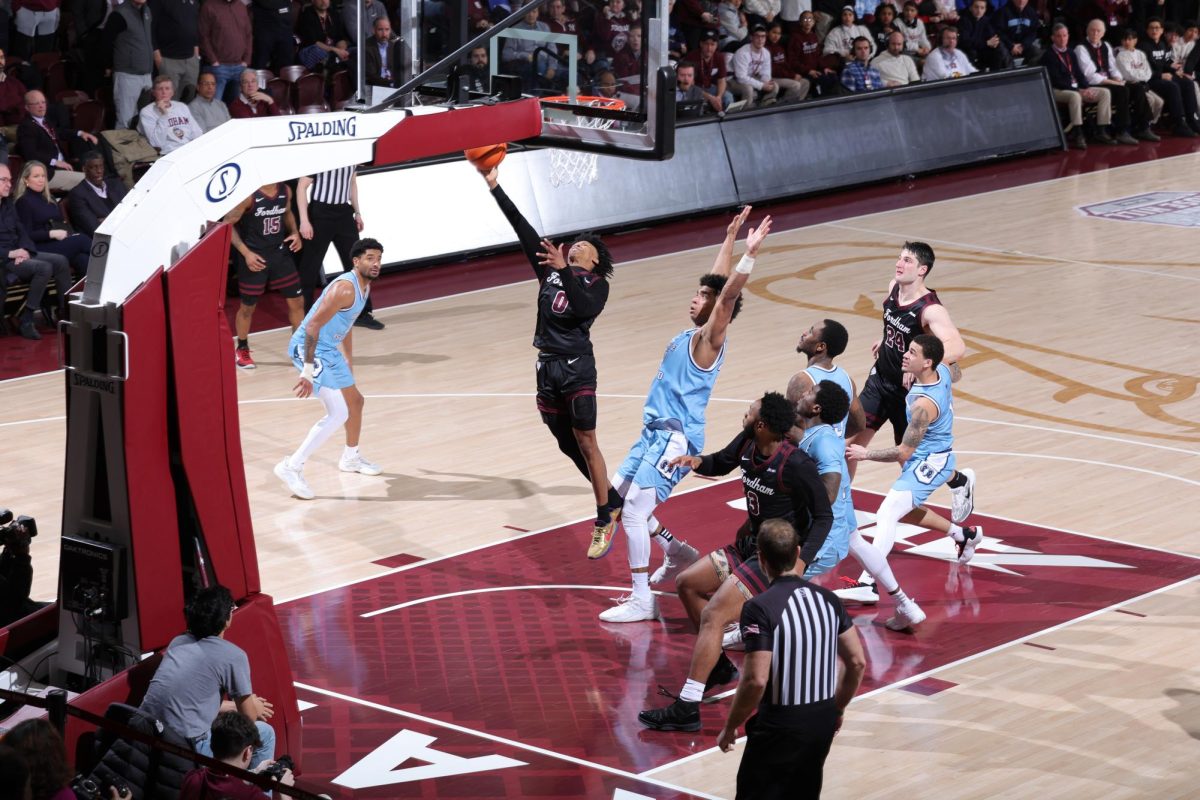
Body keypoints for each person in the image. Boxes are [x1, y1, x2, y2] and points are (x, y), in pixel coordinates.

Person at [601, 207, 771, 623]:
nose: (694, 296)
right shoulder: (690, 332)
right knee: (615, 499)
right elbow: (717, 284)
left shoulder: (710, 339)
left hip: (675, 439)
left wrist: (749, 255)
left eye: (701, 296)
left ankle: (643, 599)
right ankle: (677, 551)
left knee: (635, 515)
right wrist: (729, 239)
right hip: (653, 432)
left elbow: (725, 295)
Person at [637, 392, 834, 732]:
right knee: (687, 584)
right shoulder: (748, 442)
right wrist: (697, 461)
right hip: (749, 545)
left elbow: (823, 516)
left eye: (750, 412)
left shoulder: (795, 464)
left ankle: (687, 706)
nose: (744, 413)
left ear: (761, 425)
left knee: (714, 614)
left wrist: (803, 560)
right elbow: (723, 461)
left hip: (775, 557)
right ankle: (718, 668)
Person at [482, 165, 625, 556]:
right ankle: (611, 498)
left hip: (577, 366)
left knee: (586, 439)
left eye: (585, 246)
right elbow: (521, 228)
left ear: (594, 262)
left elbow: (580, 309)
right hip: (546, 367)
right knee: (566, 442)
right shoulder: (550, 272)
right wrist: (495, 186)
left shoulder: (597, 285)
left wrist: (566, 270)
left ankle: (603, 516)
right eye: (574, 242)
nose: (576, 245)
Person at [716, 519, 866, 799]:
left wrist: (730, 725)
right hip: (822, 718)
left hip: (781, 723)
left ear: (760, 559)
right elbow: (857, 662)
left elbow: (756, 679)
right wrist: (838, 709)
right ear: (798, 552)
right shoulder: (829, 600)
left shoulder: (759, 607)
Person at [847, 334, 983, 630]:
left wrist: (865, 453)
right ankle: (964, 535)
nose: (905, 355)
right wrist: (917, 371)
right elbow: (954, 369)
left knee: (887, 513)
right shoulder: (942, 371)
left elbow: (903, 451)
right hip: (930, 453)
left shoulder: (924, 405)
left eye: (912, 353)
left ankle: (868, 581)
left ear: (927, 362)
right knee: (903, 510)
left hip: (929, 461)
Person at [275, 238, 384, 498]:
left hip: (328, 350)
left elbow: (344, 325)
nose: (376, 263)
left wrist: (348, 358)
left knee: (355, 402)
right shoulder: (345, 288)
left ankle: (350, 458)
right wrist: (307, 371)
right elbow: (311, 326)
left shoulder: (364, 287)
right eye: (370, 258)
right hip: (308, 347)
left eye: (379, 258)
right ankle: (292, 466)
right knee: (338, 412)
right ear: (356, 261)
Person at [139, 585, 277, 768]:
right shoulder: (233, 656)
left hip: (145, 731)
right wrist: (253, 707)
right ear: (227, 618)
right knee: (265, 733)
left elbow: (192, 700)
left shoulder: (177, 642)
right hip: (188, 747)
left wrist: (233, 706)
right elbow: (248, 720)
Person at [223, 182, 303, 369]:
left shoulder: (285, 190)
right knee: (247, 308)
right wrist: (246, 253)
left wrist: (295, 232)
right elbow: (227, 224)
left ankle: (297, 349)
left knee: (297, 302)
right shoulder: (249, 195)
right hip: (254, 256)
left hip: (280, 254)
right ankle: (242, 348)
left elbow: (287, 212)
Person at [296, 166, 383, 328]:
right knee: (310, 267)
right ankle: (303, 317)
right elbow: (302, 185)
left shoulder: (353, 155)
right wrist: (304, 220)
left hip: (344, 213)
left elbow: (352, 182)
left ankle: (362, 313)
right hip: (320, 213)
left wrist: (357, 212)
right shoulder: (321, 154)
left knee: (358, 264)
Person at [0, 162, 72, 339]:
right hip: (4, 258)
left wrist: (23, 249)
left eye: (10, 180)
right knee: (44, 268)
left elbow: (22, 231)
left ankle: (66, 314)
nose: (9, 184)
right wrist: (11, 254)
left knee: (61, 261)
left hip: (20, 253)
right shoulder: (17, 201)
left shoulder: (8, 204)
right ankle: (27, 318)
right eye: (3, 180)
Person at [179, 712, 294, 800]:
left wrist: (255, 773)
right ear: (248, 752)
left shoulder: (192, 778)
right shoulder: (252, 796)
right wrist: (285, 794)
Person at [1043, 22, 1116, 149]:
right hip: (1056, 90)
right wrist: (1078, 90)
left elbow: (1079, 74)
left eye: (1065, 35)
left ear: (1068, 36)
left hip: (1076, 88)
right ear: (1053, 38)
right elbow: (1056, 80)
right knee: (1075, 96)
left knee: (1105, 92)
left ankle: (1101, 130)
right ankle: (1078, 133)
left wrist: (1086, 88)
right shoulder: (1048, 55)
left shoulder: (1071, 52)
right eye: (1059, 36)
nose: (1062, 39)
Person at [1077, 19, 1151, 143]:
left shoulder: (1106, 45)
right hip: (1093, 84)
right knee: (1122, 90)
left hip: (1109, 81)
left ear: (1103, 33)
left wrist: (1117, 77)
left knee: (1137, 87)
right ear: (1087, 31)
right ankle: (1121, 131)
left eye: (1098, 31)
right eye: (1092, 30)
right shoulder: (1081, 48)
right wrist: (1114, 82)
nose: (1095, 33)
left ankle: (1143, 127)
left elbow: (1113, 67)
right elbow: (1090, 76)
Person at [14, 160, 91, 276]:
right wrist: (51, 234)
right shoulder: (23, 201)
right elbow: (27, 234)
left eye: (43, 176)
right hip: (39, 247)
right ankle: (113, 259)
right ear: (26, 180)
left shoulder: (49, 198)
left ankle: (87, 293)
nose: (41, 180)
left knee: (83, 259)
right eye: (36, 176)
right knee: (82, 240)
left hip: (57, 242)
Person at [17, 90, 95, 191]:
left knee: (98, 174)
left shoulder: (46, 121)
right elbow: (30, 154)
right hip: (48, 172)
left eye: (43, 102)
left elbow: (60, 133)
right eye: (36, 103)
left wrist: (80, 133)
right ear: (27, 107)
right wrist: (55, 162)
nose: (41, 106)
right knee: (91, 181)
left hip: (64, 166)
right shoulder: (26, 127)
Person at [103, 0, 154, 129]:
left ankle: (139, 149)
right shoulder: (119, 14)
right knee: (125, 121)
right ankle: (120, 150)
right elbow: (106, 41)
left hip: (146, 73)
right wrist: (108, 65)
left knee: (144, 120)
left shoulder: (147, 10)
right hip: (127, 75)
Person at [198, 0, 253, 103]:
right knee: (213, 107)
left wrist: (246, 60)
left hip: (239, 67)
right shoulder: (208, 6)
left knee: (237, 108)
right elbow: (203, 36)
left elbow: (248, 34)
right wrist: (213, 61)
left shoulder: (240, 6)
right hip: (218, 68)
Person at [67, 152, 128, 238]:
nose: (99, 171)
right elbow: (94, 227)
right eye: (93, 167)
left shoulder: (116, 184)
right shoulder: (77, 194)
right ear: (84, 169)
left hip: (128, 230)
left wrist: (105, 220)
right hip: (106, 240)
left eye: (101, 166)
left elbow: (131, 211)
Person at [139, 75, 204, 154]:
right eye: (160, 89)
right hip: (169, 153)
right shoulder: (147, 112)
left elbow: (197, 133)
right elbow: (156, 143)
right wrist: (164, 115)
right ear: (154, 92)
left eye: (167, 88)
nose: (164, 92)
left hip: (189, 150)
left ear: (172, 92)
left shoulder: (182, 107)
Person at [150, 0, 202, 98]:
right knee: (170, 101)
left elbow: (194, 26)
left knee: (189, 99)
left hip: (191, 60)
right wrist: (157, 57)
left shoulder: (194, 2)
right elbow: (150, 28)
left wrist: (196, 55)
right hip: (168, 59)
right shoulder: (158, 2)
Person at [958, 0, 1011, 72]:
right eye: (976, 7)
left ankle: (996, 76)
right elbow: (966, 42)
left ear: (985, 10)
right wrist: (986, 43)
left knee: (997, 51)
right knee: (972, 52)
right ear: (971, 8)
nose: (979, 10)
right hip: (968, 51)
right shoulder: (964, 21)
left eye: (982, 8)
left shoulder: (985, 20)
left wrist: (994, 42)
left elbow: (992, 36)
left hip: (981, 49)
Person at [364, 16, 401, 88]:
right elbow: (371, 76)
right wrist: (391, 81)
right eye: (380, 30)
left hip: (395, 85)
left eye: (387, 30)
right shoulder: (367, 47)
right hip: (376, 87)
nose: (384, 34)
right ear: (373, 30)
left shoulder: (394, 45)